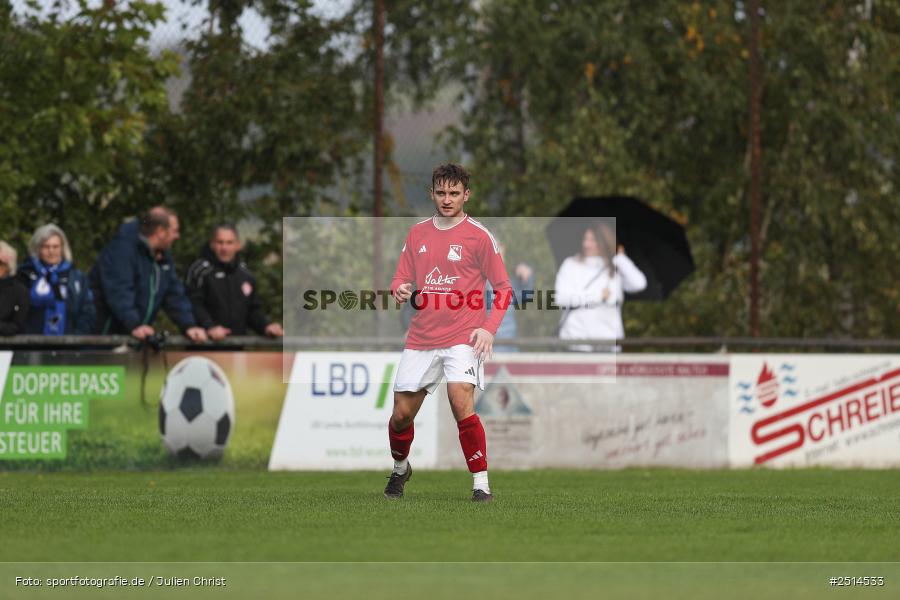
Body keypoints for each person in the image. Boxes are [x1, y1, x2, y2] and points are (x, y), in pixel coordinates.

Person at [385, 163, 512, 503]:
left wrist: (488, 328)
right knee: (400, 416)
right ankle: (400, 469)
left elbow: (503, 289)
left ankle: (481, 484)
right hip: (422, 339)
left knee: (460, 402)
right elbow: (399, 279)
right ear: (432, 193)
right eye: (441, 192)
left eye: (454, 193)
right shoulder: (417, 234)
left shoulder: (479, 236)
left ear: (466, 195)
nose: (447, 199)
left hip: (464, 337)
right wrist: (399, 289)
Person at [88, 206, 207, 342]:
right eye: (174, 231)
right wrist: (134, 324)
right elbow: (119, 292)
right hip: (104, 338)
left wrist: (189, 325)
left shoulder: (162, 257)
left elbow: (174, 294)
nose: (177, 236)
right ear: (160, 231)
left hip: (135, 338)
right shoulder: (121, 251)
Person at [554, 222, 646, 351]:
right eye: (585, 239)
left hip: (608, 345)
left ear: (604, 242)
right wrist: (597, 296)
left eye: (593, 240)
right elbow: (560, 299)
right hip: (576, 342)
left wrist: (621, 258)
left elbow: (639, 284)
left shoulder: (615, 267)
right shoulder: (570, 265)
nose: (586, 244)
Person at [185, 223, 284, 340]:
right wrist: (209, 327)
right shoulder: (200, 271)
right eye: (220, 242)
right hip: (205, 346)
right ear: (212, 244)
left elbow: (253, 310)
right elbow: (194, 304)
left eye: (229, 242)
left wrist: (266, 326)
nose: (224, 248)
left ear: (238, 245)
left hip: (237, 349)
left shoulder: (245, 275)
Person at [17, 224, 95, 335]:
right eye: (46, 246)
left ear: (62, 248)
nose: (51, 251)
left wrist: (77, 337)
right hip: (31, 345)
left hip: (69, 345)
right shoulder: (24, 274)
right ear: (37, 248)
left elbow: (88, 311)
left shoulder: (76, 277)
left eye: (55, 246)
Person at [485, 242, 535, 352]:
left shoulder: (510, 285)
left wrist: (528, 276)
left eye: (500, 255)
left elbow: (527, 296)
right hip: (483, 350)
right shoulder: (475, 285)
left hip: (509, 348)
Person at [0, 241, 29, 336]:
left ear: (8, 265)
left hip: (7, 348)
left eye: (0, 263)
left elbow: (17, 326)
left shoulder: (19, 291)